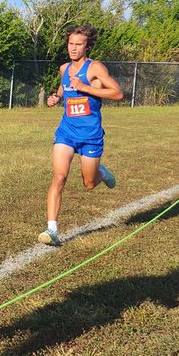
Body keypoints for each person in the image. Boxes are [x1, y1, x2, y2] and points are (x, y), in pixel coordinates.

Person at [39, 25, 123, 246]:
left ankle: (102, 173)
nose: (73, 48)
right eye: (70, 44)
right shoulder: (64, 68)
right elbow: (63, 88)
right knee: (59, 176)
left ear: (87, 46)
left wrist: (86, 88)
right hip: (66, 132)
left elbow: (117, 93)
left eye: (78, 44)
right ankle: (52, 230)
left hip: (91, 136)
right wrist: (55, 98)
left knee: (89, 184)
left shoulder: (95, 68)